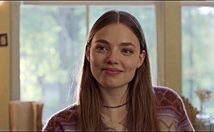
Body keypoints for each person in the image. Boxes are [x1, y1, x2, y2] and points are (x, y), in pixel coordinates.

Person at [43, 10, 194, 131]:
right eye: (102, 48)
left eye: (126, 51)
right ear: (89, 53)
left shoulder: (168, 105)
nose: (112, 59)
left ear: (140, 59)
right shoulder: (60, 125)